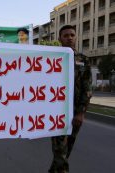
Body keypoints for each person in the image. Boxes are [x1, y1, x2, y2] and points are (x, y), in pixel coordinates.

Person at [49, 25, 92, 173]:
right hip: (56, 113)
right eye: (66, 35)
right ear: (60, 38)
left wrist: (81, 112)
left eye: (72, 35)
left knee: (66, 152)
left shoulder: (83, 60)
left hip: (75, 113)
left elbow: (87, 89)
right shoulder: (50, 59)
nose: (70, 37)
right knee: (61, 153)